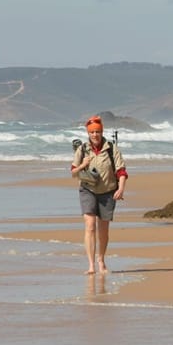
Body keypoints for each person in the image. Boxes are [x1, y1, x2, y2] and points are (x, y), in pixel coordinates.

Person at [70, 115, 127, 274]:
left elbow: (121, 171)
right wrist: (83, 164)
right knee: (90, 227)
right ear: (88, 134)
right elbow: (73, 172)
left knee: (103, 230)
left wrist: (120, 189)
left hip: (108, 192)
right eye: (92, 132)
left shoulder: (111, 149)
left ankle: (101, 260)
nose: (95, 135)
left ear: (102, 132)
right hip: (87, 190)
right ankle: (91, 265)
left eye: (98, 132)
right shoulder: (82, 149)